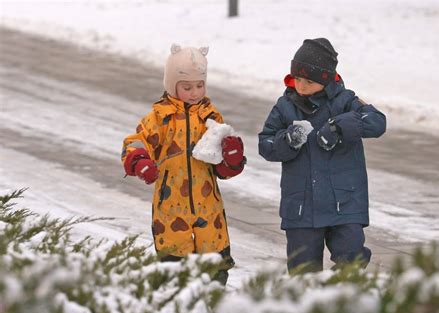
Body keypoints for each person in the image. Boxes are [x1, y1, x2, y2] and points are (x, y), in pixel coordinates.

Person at [258, 38, 386, 274]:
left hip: (344, 203)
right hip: (302, 207)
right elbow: (265, 144)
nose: (301, 86)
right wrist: (288, 140)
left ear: (326, 79)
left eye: (309, 81)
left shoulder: (346, 102)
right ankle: (307, 308)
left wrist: (341, 127)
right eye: (297, 79)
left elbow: (377, 122)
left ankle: (342, 302)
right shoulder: (285, 106)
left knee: (352, 260)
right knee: (303, 271)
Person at [121, 44, 246, 284]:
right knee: (176, 273)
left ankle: (212, 309)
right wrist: (139, 162)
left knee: (214, 270)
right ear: (172, 85)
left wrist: (233, 159)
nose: (195, 92)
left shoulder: (210, 117)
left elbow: (222, 168)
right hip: (171, 210)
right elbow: (136, 143)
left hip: (209, 210)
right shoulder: (160, 118)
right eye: (187, 87)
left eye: (200, 85)